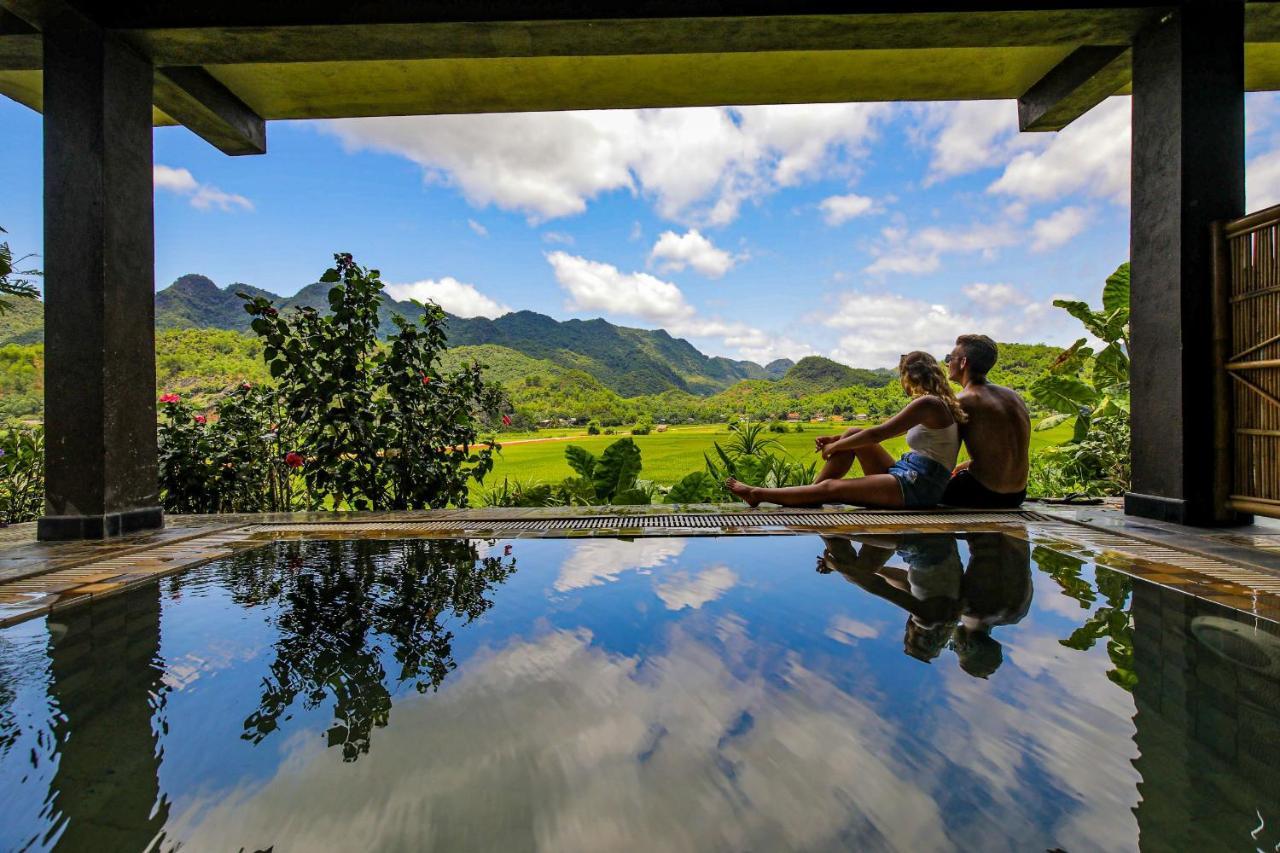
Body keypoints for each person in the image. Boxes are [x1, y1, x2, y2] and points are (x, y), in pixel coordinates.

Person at [726, 351, 965, 508]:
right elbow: (879, 431)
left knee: (833, 488)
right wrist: (838, 438)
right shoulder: (933, 403)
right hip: (911, 473)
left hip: (920, 486)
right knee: (852, 433)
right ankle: (812, 494)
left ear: (909, 377)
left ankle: (758, 494)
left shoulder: (928, 403)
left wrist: (835, 446)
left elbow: (878, 434)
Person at [939, 334, 1031, 509]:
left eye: (949, 358)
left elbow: (943, 459)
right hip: (1018, 494)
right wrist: (962, 467)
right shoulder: (1013, 396)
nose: (947, 363)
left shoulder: (962, 400)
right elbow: (1001, 454)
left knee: (919, 489)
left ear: (963, 362)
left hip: (981, 493)